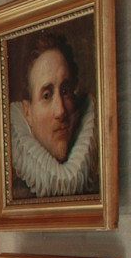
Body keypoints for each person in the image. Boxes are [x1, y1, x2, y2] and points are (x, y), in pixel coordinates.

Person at [9, 30, 97, 198]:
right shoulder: (16, 195)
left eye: (65, 91)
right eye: (47, 96)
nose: (61, 111)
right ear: (27, 113)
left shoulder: (98, 186)